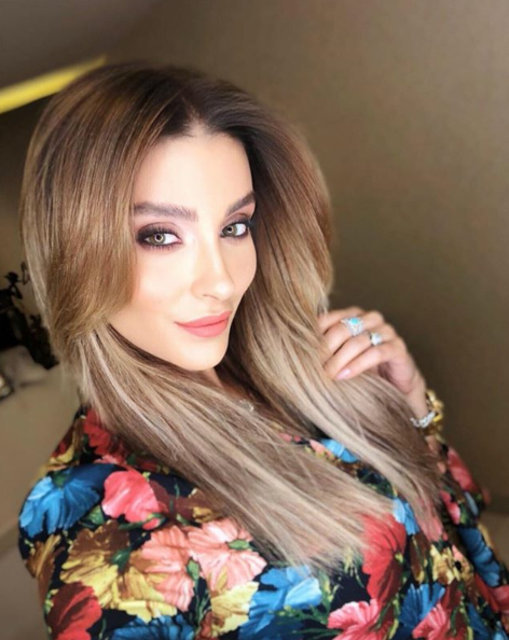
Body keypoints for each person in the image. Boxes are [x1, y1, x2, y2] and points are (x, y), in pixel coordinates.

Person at [16, 61, 508, 639]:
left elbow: (451, 526)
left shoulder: (299, 360)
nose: (221, 282)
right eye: (159, 236)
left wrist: (413, 405)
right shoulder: (100, 530)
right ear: (75, 251)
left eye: (235, 227)